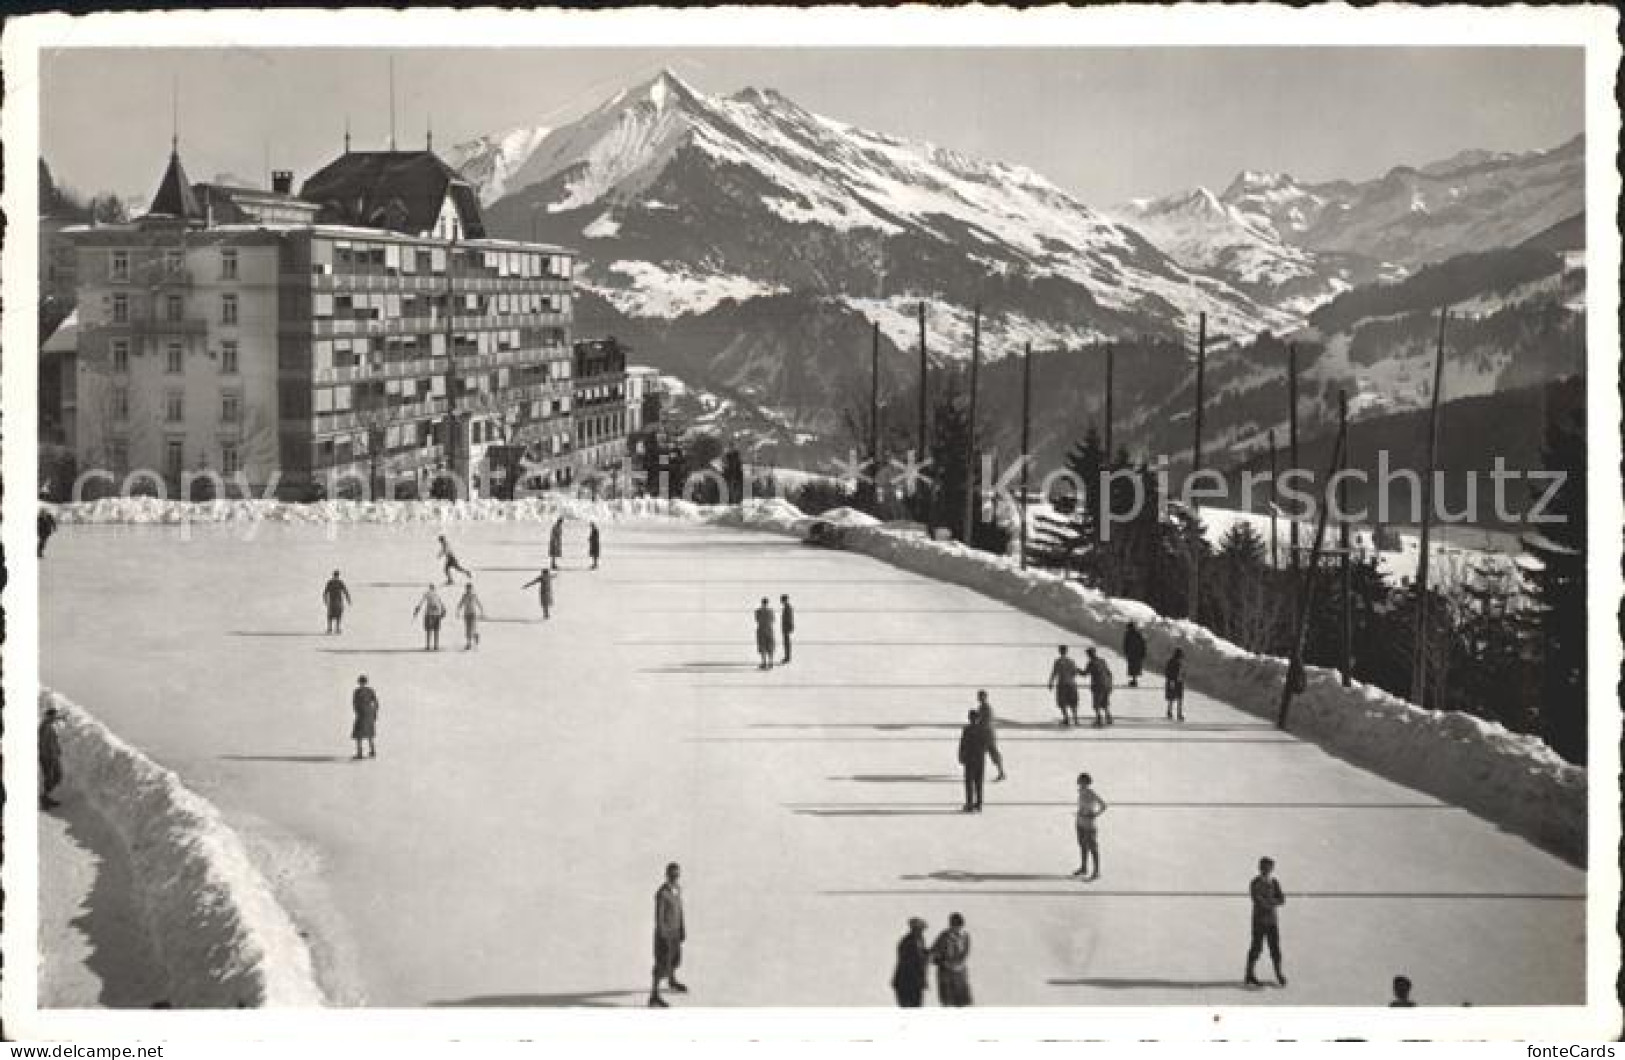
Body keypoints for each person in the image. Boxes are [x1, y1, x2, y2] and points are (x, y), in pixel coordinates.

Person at [649, 862, 687, 1007]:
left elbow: (680, 911)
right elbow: (658, 918)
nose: (675, 877)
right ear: (667, 875)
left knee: (675, 960)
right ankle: (654, 995)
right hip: (664, 935)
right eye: (672, 875)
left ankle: (672, 981)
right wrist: (662, 935)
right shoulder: (662, 894)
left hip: (676, 932)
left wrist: (682, 928)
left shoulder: (677, 889)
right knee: (662, 964)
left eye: (677, 875)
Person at [1245, 856, 1287, 987]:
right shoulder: (1255, 882)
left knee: (1275, 948)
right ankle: (1249, 974)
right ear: (1260, 868)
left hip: (1272, 922)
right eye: (1264, 867)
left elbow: (1282, 899)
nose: (1266, 870)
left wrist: (1270, 901)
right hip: (1259, 921)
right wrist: (1272, 902)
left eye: (1269, 867)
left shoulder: (1274, 882)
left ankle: (1278, 973)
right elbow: (1258, 900)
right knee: (1256, 947)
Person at [930, 913, 972, 1007]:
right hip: (946, 975)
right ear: (951, 925)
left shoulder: (965, 936)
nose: (957, 929)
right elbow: (933, 954)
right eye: (955, 926)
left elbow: (965, 953)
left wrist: (959, 963)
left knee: (963, 1003)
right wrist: (942, 962)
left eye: (959, 927)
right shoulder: (944, 936)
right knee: (948, 1003)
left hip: (960, 974)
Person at [1073, 773, 1108, 879]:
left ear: (1086, 782)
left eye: (1081, 781)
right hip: (1080, 822)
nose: (1079, 782)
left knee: (1093, 847)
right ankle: (1084, 868)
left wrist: (1095, 814)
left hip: (1089, 824)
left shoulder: (1091, 793)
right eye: (1079, 780)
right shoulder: (1080, 792)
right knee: (1082, 845)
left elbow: (1104, 805)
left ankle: (1096, 871)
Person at [891, 917, 931, 1007]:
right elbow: (912, 961)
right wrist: (926, 957)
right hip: (906, 983)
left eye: (922, 929)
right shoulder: (907, 942)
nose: (921, 932)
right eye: (919, 929)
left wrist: (930, 955)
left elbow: (923, 953)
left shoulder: (920, 940)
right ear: (913, 929)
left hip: (915, 983)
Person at [957, 708, 990, 813]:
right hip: (980, 759)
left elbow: (963, 744)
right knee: (979, 782)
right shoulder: (984, 729)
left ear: (969, 718)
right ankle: (979, 804)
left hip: (970, 759)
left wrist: (961, 756)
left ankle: (969, 804)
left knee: (969, 783)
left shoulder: (966, 729)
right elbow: (987, 744)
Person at [1047, 645, 1081, 726]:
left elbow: (1054, 673)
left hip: (1062, 684)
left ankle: (1066, 719)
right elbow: (1075, 672)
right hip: (1072, 684)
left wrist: (1050, 683)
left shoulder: (1058, 661)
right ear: (1066, 651)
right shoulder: (1071, 661)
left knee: (1062, 702)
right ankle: (1076, 719)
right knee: (1073, 702)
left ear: (1059, 651)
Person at [975, 690, 1005, 782]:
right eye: (979, 696)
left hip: (988, 735)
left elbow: (985, 722)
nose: (979, 698)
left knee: (993, 754)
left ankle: (1001, 772)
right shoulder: (981, 707)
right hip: (984, 734)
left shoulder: (986, 708)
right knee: (979, 755)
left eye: (981, 697)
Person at [39, 706, 64, 809]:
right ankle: (44, 798)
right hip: (48, 758)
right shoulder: (45, 727)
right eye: (54, 716)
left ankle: (45, 797)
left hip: (53, 756)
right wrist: (49, 759)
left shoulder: (48, 724)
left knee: (57, 776)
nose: (55, 718)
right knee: (53, 777)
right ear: (49, 716)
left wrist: (61, 717)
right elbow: (43, 744)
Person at [1084, 647, 1114, 727]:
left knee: (1096, 703)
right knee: (1105, 702)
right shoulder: (1102, 661)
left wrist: (1076, 670)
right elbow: (1109, 672)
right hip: (1107, 684)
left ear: (1089, 654)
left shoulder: (1091, 663)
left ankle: (1099, 719)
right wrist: (1110, 683)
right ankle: (1109, 717)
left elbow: (1085, 673)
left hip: (1098, 685)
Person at [351, 676, 379, 760]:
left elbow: (355, 703)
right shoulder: (370, 690)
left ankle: (360, 753)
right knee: (369, 733)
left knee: (359, 734)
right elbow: (376, 702)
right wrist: (374, 712)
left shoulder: (357, 691)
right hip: (369, 713)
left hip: (362, 713)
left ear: (359, 682)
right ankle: (373, 751)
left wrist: (357, 712)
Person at [413, 584, 446, 651]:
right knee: (434, 630)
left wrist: (417, 610)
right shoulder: (434, 594)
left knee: (430, 630)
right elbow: (441, 603)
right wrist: (443, 610)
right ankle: (434, 645)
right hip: (434, 614)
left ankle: (430, 645)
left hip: (432, 614)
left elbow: (421, 602)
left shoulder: (432, 594)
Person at [457, 581, 485, 650]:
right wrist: (458, 611)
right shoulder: (464, 595)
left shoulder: (474, 595)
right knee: (467, 629)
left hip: (473, 613)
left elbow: (478, 603)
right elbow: (460, 603)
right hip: (466, 614)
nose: (468, 589)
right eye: (467, 588)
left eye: (469, 588)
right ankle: (468, 643)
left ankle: (475, 636)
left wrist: (481, 611)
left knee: (473, 628)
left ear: (471, 589)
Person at [323, 570, 353, 635]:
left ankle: (336, 628)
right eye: (336, 576)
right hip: (334, 601)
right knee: (332, 615)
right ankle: (331, 628)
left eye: (336, 576)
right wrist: (348, 600)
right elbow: (325, 592)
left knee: (336, 615)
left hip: (336, 601)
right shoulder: (334, 582)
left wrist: (348, 599)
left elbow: (345, 591)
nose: (336, 577)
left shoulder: (334, 582)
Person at [754, 597, 777, 669]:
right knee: (770, 646)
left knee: (762, 646)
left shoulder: (758, 611)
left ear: (762, 603)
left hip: (761, 630)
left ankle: (764, 663)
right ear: (767, 603)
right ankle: (770, 662)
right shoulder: (771, 611)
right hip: (769, 630)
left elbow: (757, 620)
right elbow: (773, 620)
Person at [1165, 648, 1187, 722]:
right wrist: (1172, 680)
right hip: (1175, 682)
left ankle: (1172, 712)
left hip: (1178, 682)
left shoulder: (1174, 662)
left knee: (1175, 698)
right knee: (1176, 698)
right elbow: (1169, 672)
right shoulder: (1174, 662)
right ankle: (1176, 713)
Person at [1123, 622, 1147, 688]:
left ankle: (1134, 680)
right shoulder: (1138, 634)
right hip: (1137, 654)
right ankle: (1134, 680)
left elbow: (1125, 644)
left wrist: (1126, 652)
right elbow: (1143, 644)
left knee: (1133, 667)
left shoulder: (1129, 635)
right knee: (1135, 667)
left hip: (1133, 654)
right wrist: (1143, 653)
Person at [779, 594, 796, 665]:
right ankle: (787, 656)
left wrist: (790, 626)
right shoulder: (787, 607)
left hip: (787, 627)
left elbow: (790, 618)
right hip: (786, 627)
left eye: (782, 600)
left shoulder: (788, 607)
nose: (781, 601)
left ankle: (787, 657)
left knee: (787, 643)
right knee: (786, 642)